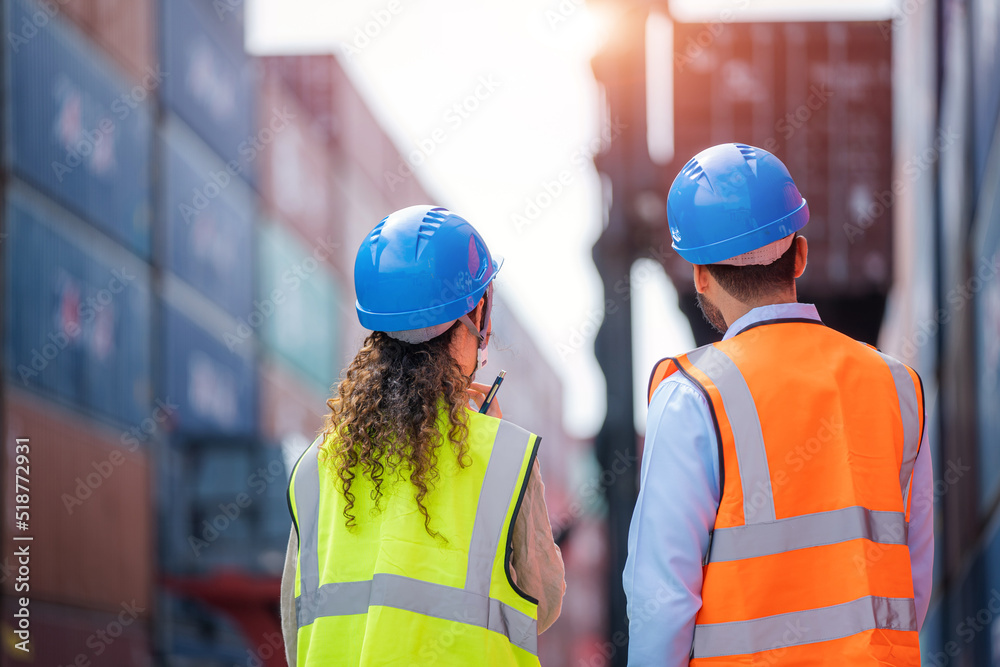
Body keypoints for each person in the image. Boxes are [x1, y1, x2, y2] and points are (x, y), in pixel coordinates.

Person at [623, 143, 933, 665]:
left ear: (700, 276)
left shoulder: (692, 396)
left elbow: (663, 600)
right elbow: (913, 578)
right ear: (801, 254)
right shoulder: (896, 385)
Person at [280, 205, 565, 666]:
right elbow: (542, 604)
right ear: (476, 312)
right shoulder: (504, 456)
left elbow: (295, 634)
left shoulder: (315, 465)